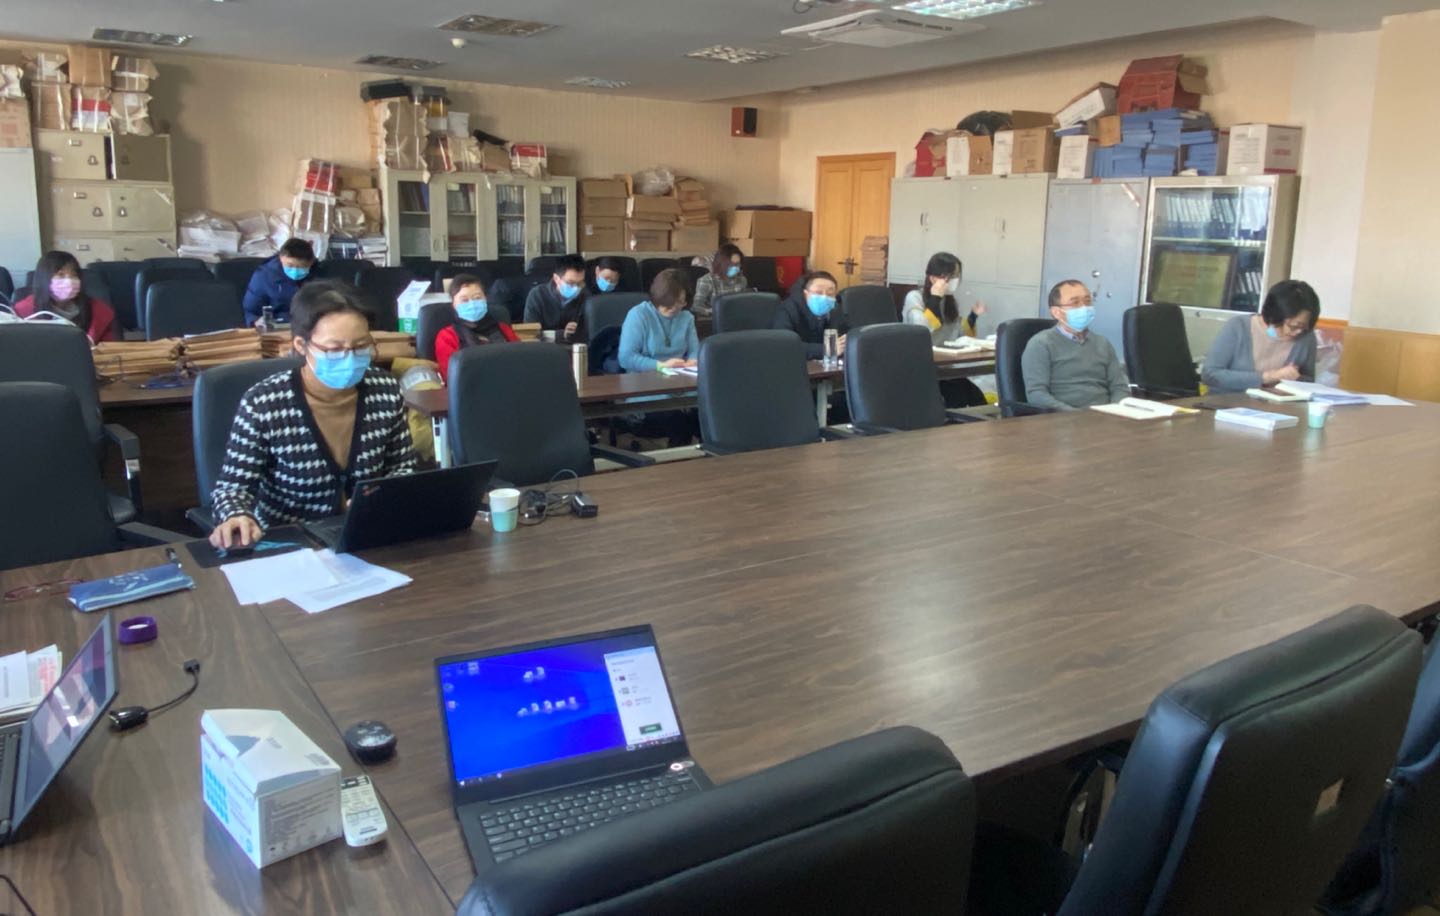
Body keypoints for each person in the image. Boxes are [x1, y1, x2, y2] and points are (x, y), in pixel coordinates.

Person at [209, 281, 417, 549]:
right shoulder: (265, 403)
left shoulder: (385, 390)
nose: (350, 358)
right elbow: (232, 488)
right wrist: (236, 515)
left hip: (368, 538)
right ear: (301, 344)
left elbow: (402, 468)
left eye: (361, 346)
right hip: (290, 544)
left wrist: (378, 499)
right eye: (334, 349)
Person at [1021, 279, 1130, 411]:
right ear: (1056, 312)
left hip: (1106, 415)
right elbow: (1037, 395)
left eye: (1087, 301)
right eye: (1075, 303)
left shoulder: (1102, 343)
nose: (1084, 308)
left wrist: (1115, 411)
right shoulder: (1041, 344)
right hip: (1063, 417)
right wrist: (1077, 416)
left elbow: (1119, 387)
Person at [901, 252, 988, 408]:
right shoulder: (914, 297)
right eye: (950, 276)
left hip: (946, 367)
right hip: (922, 366)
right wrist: (935, 299)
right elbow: (921, 329)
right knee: (956, 399)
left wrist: (973, 316)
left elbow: (959, 334)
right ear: (933, 278)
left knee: (977, 398)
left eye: (957, 276)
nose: (955, 281)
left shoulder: (949, 302)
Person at [1202, 280, 1320, 393]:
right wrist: (1267, 377)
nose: (1298, 332)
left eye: (1304, 327)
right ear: (1275, 315)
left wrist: (1296, 378)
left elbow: (1308, 381)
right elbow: (1210, 375)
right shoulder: (1239, 327)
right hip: (1226, 402)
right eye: (1294, 326)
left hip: (1279, 405)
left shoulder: (1306, 337)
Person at [432, 273, 518, 384]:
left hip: (509, 383)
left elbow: (519, 359)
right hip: (470, 388)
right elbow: (452, 375)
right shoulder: (447, 336)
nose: (472, 304)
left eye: (477, 298)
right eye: (464, 300)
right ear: (454, 304)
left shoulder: (503, 329)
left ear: (485, 299)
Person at [12, 251, 116, 342]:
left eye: (74, 275)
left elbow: (109, 348)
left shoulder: (97, 310)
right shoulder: (23, 311)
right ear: (44, 279)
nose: (69, 280)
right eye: (61, 275)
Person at [618, 268, 700, 372]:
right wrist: (661, 365)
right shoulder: (638, 314)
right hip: (643, 376)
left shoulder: (687, 317)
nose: (673, 308)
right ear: (658, 297)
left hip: (678, 375)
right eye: (669, 303)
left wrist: (693, 361)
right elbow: (625, 358)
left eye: (680, 302)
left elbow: (694, 351)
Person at [773, 270, 847, 360]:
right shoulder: (787, 309)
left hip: (827, 363)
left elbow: (845, 333)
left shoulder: (835, 309)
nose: (824, 297)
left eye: (830, 294)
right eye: (818, 293)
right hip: (794, 362)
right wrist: (826, 349)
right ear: (806, 294)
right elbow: (783, 344)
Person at [243, 237, 316, 327]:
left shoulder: (319, 274)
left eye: (302, 266)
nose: (295, 270)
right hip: (277, 325)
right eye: (290, 265)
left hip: (310, 325)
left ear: (311, 262)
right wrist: (256, 321)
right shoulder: (264, 276)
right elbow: (250, 310)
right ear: (281, 258)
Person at [523, 254, 588, 341]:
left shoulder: (587, 297)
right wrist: (561, 334)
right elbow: (530, 334)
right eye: (570, 283)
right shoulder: (537, 295)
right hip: (543, 347)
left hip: (575, 346)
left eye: (580, 283)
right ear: (556, 278)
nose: (576, 288)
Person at [691, 244, 748, 318]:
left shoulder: (742, 280)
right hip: (715, 319)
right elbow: (696, 306)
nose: (735, 267)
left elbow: (743, 303)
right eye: (731, 264)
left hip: (737, 318)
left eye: (737, 264)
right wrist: (714, 311)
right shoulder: (707, 280)